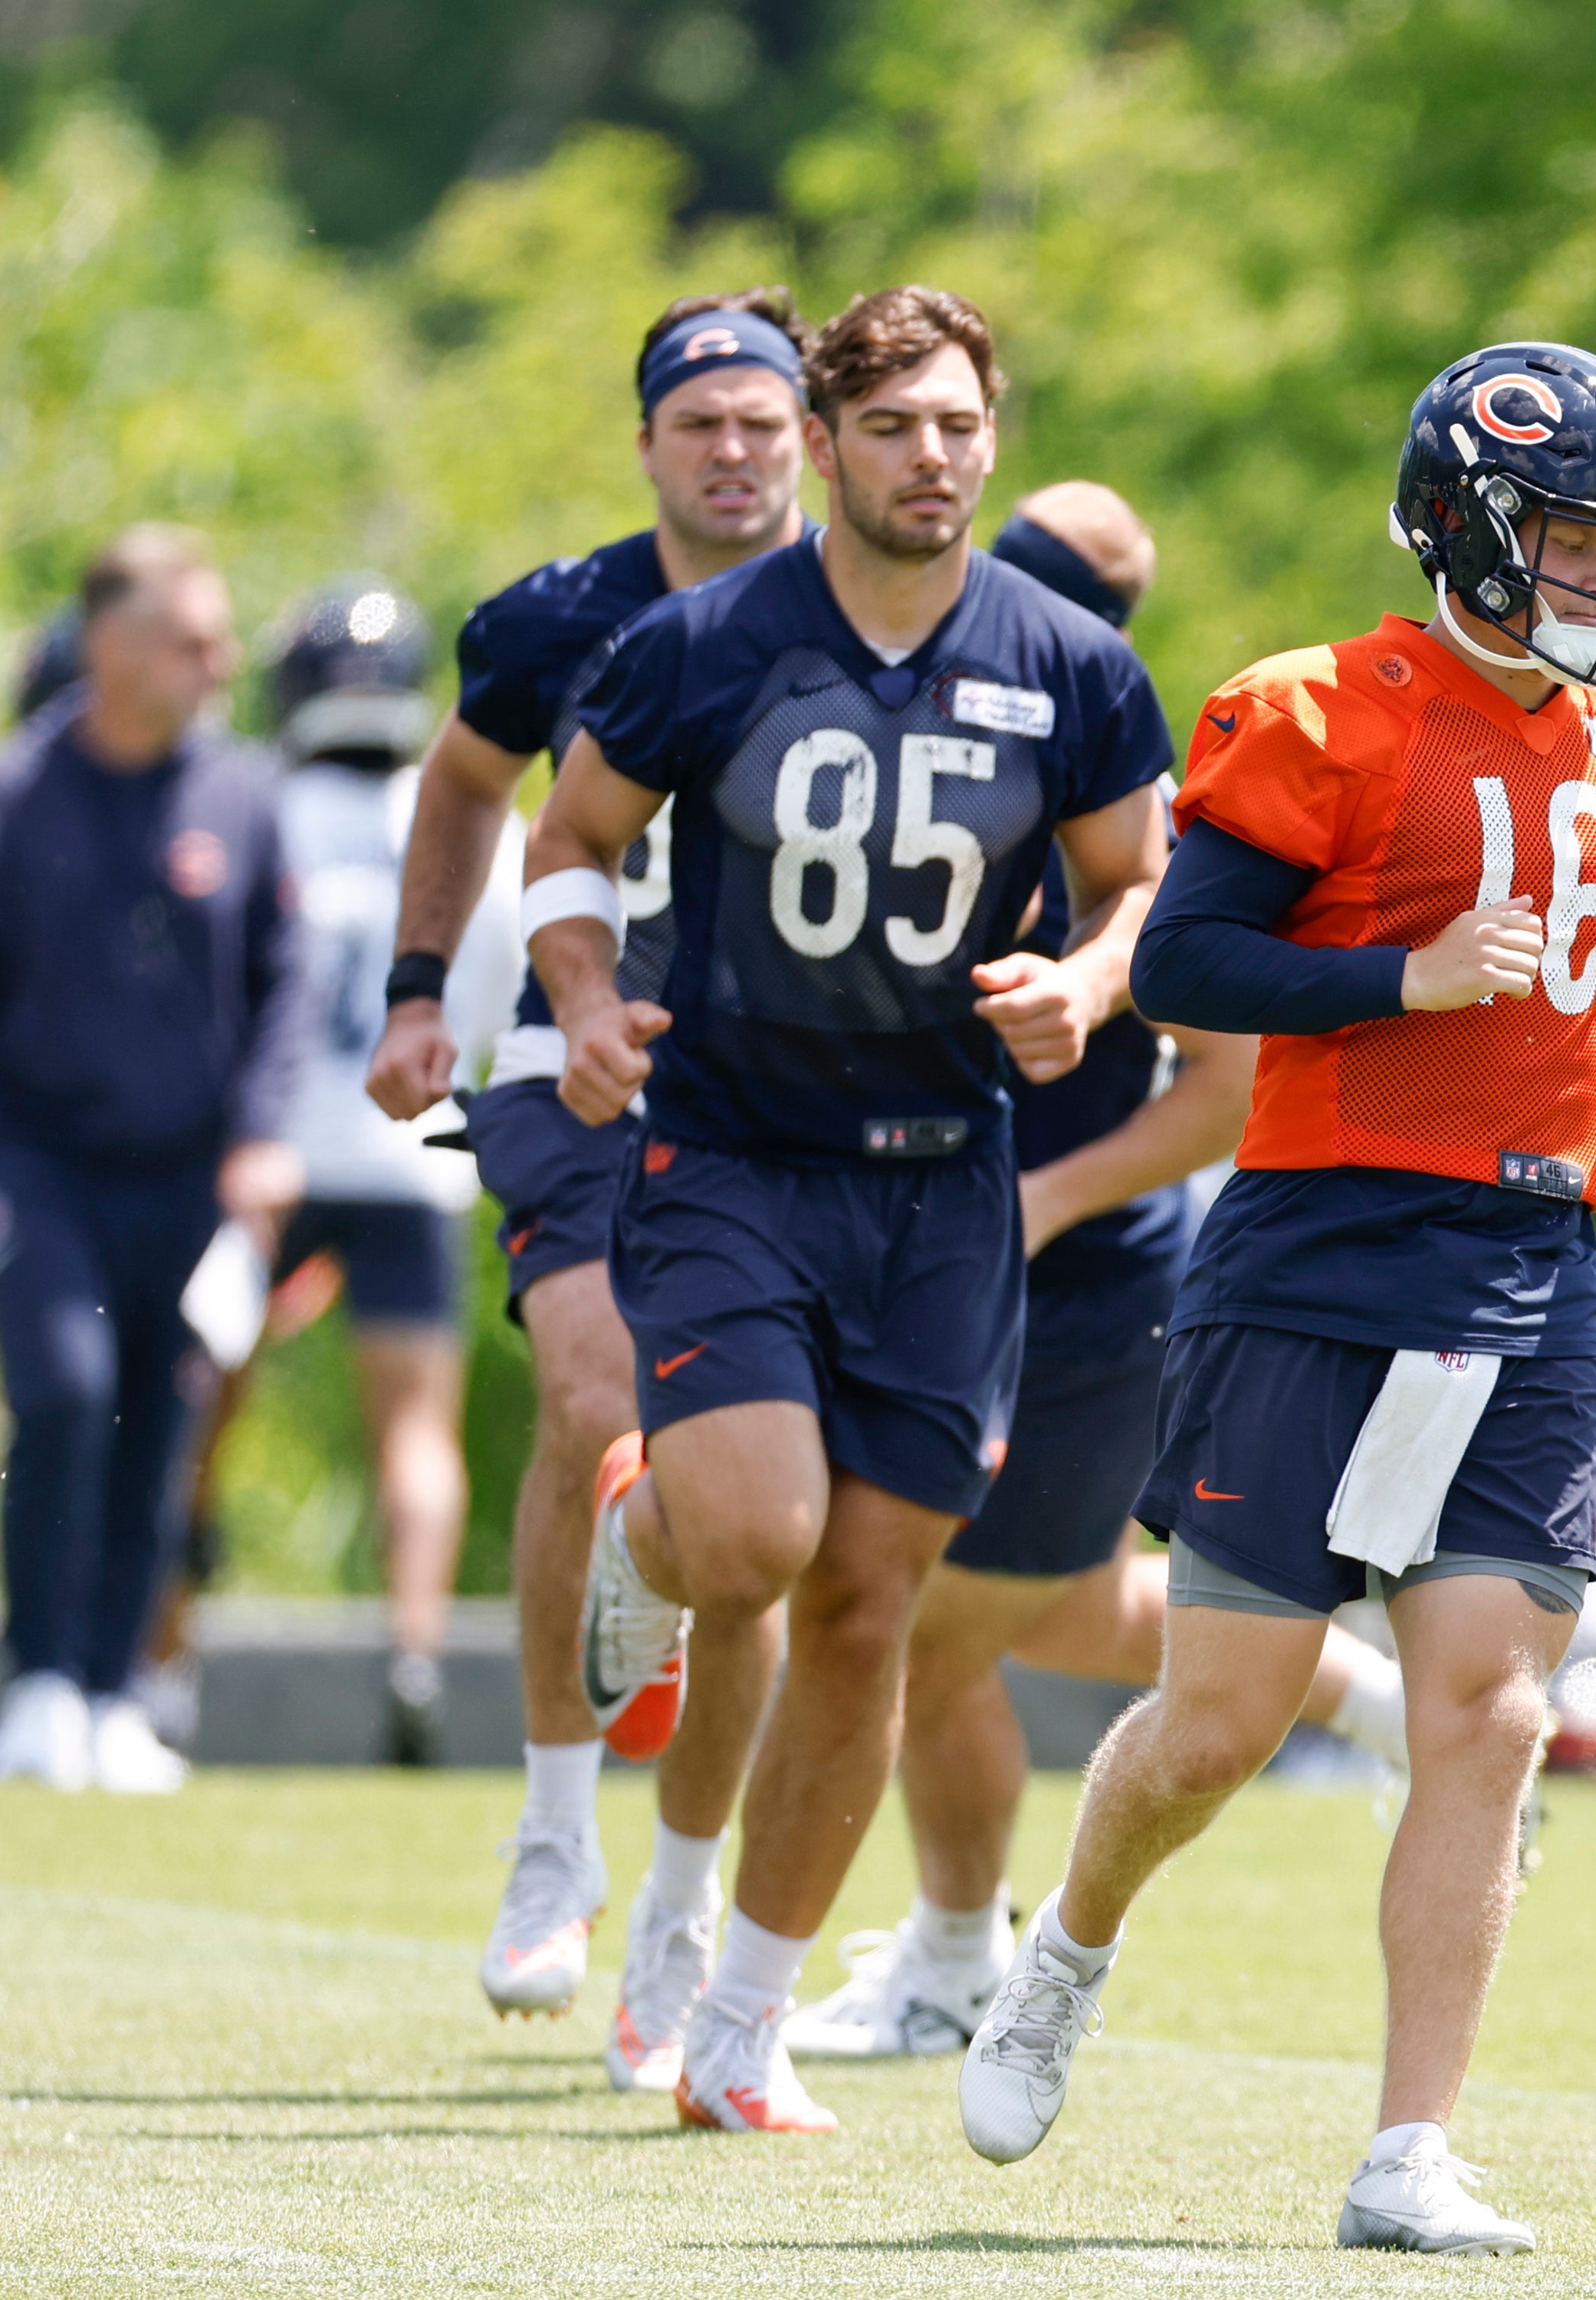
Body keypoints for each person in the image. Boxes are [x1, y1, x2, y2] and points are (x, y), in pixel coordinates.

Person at [957, 342, 1596, 2255]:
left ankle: (1407, 2146)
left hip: (1528, 1253)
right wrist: (1403, 979)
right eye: (1561, 536)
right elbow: (1188, 962)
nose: (1593, 579)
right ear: (1467, 531)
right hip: (1318, 1245)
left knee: (1485, 1707)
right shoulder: (1316, 709)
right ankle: (1062, 1946)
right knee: (1217, 1719)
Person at [528, 284, 1174, 2134]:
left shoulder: (1069, 662)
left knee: (871, 1598)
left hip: (941, 1183)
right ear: (822, 447)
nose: (933, 458)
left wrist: (1093, 984)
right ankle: (639, 1536)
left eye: (961, 425)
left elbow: (1136, 883)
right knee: (752, 1539)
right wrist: (581, 1004)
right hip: (733, 1150)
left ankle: (739, 2024)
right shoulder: (704, 640)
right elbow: (567, 839)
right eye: (892, 427)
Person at [777, 484, 1415, 2065]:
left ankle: (951, 1958)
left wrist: (1033, 1205)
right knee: (1025, 1602)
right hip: (938, 1250)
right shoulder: (932, 752)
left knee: (933, 1619)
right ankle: (1355, 1695)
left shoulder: (1133, 814)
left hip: (1081, 1274)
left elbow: (1221, 1084)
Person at [361, 290, 810, 2050]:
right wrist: (415, 992)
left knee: (751, 1521)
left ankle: (682, 1909)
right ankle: (553, 1833)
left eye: (760, 421)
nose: (730, 449)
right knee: (589, 1388)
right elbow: (464, 780)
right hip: (581, 1054)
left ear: (807, 438)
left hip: (793, 1097)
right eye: (698, 420)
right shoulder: (558, 613)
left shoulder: (877, 615)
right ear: (646, 441)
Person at [0, 524, 308, 1797]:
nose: (220, 659)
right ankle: (36, 1681)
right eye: (193, 639)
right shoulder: (3, 798)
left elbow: (286, 984)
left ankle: (115, 1688)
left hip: (191, 1175)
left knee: (159, 1422)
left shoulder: (244, 796)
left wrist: (262, 1139)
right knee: (66, 1394)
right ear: (114, 648)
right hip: (41, 1163)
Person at [139, 579, 526, 1764]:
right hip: (417, 1155)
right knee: (417, 1431)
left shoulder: (256, 809)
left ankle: (164, 1654)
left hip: (275, 1156)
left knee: (196, 1400)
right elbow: (515, 1000)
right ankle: (411, 1650)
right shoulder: (481, 825)